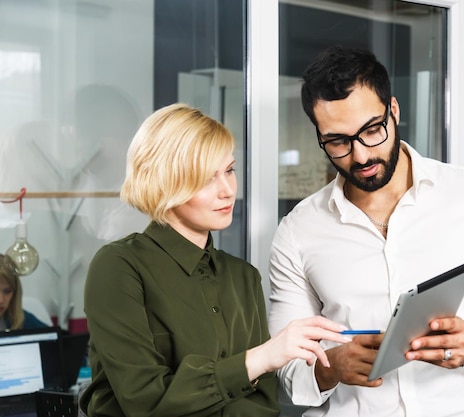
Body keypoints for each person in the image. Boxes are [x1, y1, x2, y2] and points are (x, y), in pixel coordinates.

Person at [267, 45, 464, 416]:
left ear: (394, 111)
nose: (361, 154)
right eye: (338, 141)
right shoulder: (299, 230)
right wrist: (327, 369)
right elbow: (282, 372)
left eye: (372, 130)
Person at [79, 103, 351, 417]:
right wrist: (259, 358)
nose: (227, 190)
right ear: (165, 180)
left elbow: (261, 404)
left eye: (229, 170)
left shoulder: (243, 277)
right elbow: (144, 402)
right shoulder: (118, 267)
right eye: (207, 178)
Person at [0, 253, 49, 330]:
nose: (1, 300)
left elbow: (54, 338)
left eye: (7, 291)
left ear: (15, 292)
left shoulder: (23, 320)